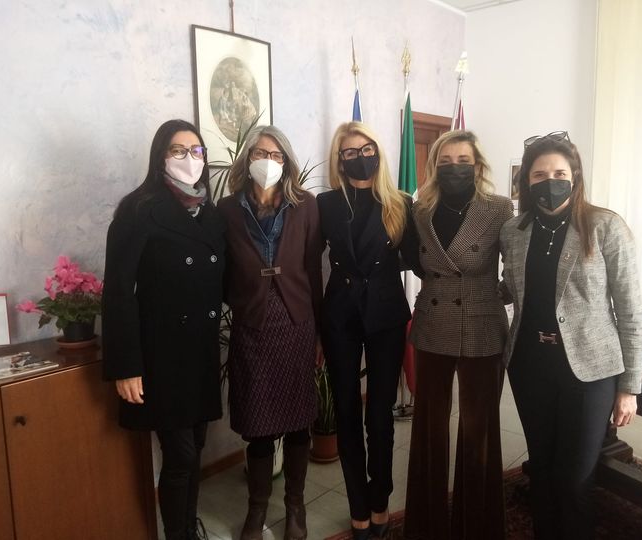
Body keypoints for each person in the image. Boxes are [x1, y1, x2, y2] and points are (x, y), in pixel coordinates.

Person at [500, 131, 642, 539]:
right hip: (530, 365)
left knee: (574, 478)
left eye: (559, 173)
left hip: (590, 371)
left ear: (575, 177)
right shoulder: (514, 231)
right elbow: (511, 287)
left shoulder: (605, 226)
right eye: (539, 174)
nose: (550, 181)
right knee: (541, 470)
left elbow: (630, 310)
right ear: (526, 181)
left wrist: (630, 386)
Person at [102, 119, 225, 540]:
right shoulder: (138, 210)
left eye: (197, 150)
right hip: (161, 356)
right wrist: (126, 367)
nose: (190, 158)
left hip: (202, 351)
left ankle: (188, 526)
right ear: (160, 157)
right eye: (178, 150)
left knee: (196, 449)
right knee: (180, 455)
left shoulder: (210, 213)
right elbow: (118, 292)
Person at [404, 130, 513, 540]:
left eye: (463, 161)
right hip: (433, 324)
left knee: (478, 431)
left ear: (477, 164)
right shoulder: (420, 209)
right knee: (429, 429)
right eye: (446, 161)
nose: (455, 168)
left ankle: (478, 528)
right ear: (434, 166)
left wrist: (497, 294)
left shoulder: (499, 208)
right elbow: (415, 260)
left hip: (482, 325)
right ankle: (425, 527)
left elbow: (516, 264)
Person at [318, 122, 422, 540]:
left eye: (366, 149)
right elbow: (306, 262)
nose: (359, 157)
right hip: (340, 316)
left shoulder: (400, 203)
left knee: (379, 417)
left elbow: (420, 260)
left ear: (377, 153)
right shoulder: (325, 204)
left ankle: (380, 502)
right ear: (339, 160)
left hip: (386, 316)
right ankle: (358, 509)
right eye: (349, 152)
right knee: (346, 413)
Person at [217, 126, 322, 540]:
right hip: (252, 326)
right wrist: (242, 298)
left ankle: (295, 506)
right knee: (258, 426)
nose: (269, 161)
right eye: (261, 153)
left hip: (296, 322)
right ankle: (256, 509)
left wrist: (319, 330)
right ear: (248, 160)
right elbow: (223, 268)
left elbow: (313, 268)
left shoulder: (306, 205)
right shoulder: (227, 209)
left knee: (297, 423)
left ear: (287, 162)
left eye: (277, 156)